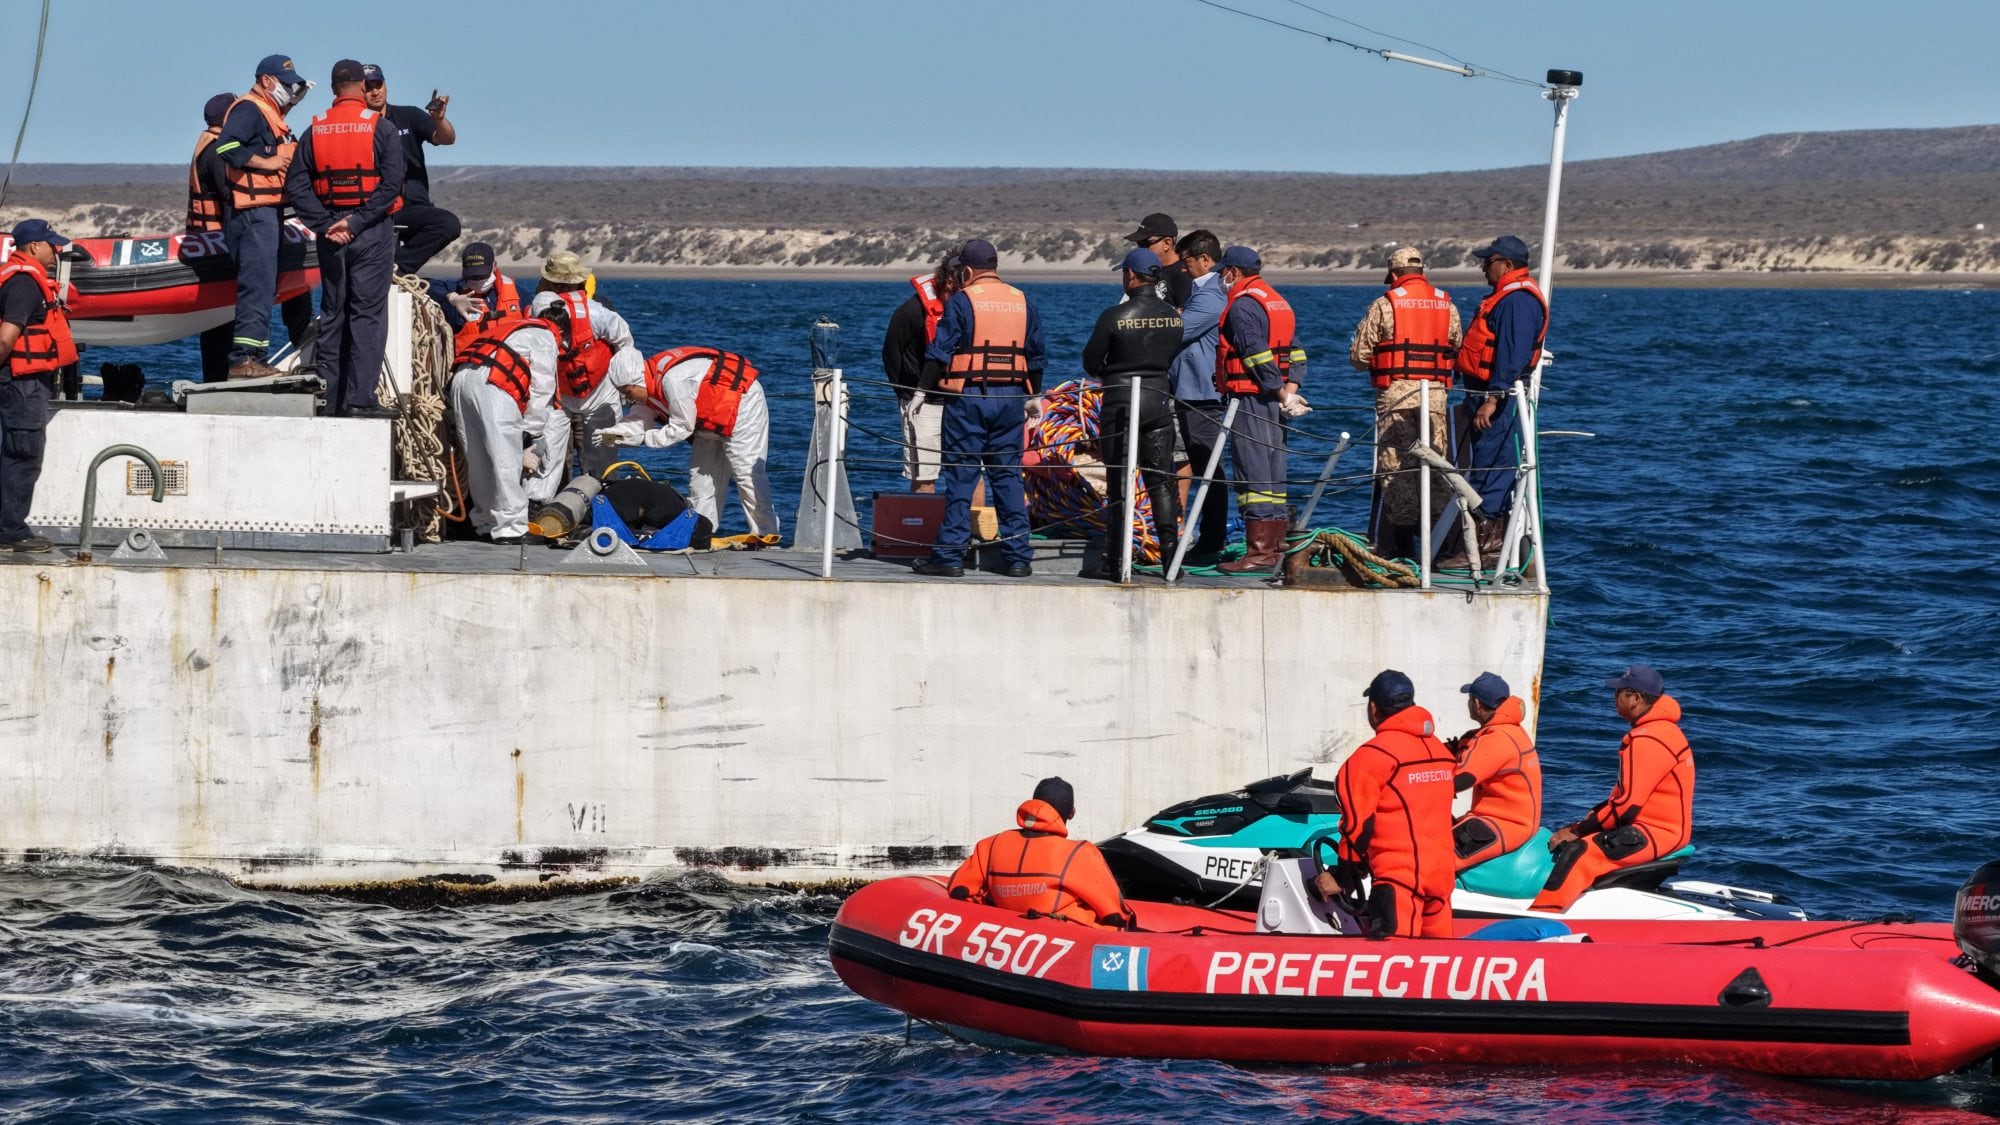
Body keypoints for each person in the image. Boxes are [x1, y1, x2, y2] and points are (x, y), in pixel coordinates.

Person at [912, 238, 1045, 579]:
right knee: (1008, 477)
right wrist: (1034, 395)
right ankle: (1018, 558)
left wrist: (921, 391)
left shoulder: (962, 300)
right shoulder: (1022, 300)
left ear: (968, 270)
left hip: (968, 398)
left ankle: (949, 557)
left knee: (961, 477)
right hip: (1011, 398)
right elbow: (1036, 354)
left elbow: (940, 350)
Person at [286, 59, 406, 418]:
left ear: (333, 89)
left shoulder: (314, 130)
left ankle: (329, 400)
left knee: (333, 313)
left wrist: (325, 224)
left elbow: (297, 186)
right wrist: (357, 222)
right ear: (361, 86)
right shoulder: (381, 127)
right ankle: (360, 400)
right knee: (367, 315)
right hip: (370, 231)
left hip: (331, 235)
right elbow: (391, 185)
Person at [1533, 665, 1694, 912]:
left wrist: (1577, 831)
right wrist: (1590, 820)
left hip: (1656, 832)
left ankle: (1543, 915)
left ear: (1635, 698)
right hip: (1660, 828)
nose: (1614, 698)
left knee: (1580, 853)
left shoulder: (1648, 739)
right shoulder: (1662, 731)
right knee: (1585, 833)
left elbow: (1628, 806)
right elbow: (1627, 796)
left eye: (1619, 692)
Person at [1314, 670, 1456, 938]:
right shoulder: (1440, 751)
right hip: (1442, 878)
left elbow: (1358, 826)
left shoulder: (1371, 757)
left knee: (1397, 959)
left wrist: (1341, 877)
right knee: (1440, 960)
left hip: (1399, 882)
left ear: (1373, 708)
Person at [1349, 246, 1462, 560]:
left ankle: (1402, 546)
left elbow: (1359, 356)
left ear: (1394, 273)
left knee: (1396, 469)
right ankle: (1439, 545)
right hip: (1435, 397)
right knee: (1436, 465)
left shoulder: (1385, 304)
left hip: (1396, 397)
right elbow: (1457, 344)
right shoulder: (1446, 304)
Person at [598, 346, 780, 538]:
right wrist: (611, 434)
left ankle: (766, 532)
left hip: (742, 406)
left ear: (636, 382)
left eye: (627, 392)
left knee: (747, 473)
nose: (627, 399)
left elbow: (681, 428)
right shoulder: (649, 386)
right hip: (709, 421)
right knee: (700, 480)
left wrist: (644, 439)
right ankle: (701, 533)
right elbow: (639, 420)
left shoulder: (673, 381)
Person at [1079, 247, 1182, 579]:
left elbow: (1091, 361)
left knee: (1119, 482)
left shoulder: (1114, 316)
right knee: (1161, 483)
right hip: (1158, 400)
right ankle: (1171, 561)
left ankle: (1115, 563)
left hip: (1121, 404)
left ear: (1132, 275)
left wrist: (1114, 373)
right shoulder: (1173, 316)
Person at [1452, 235, 1547, 561]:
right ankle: (1478, 540)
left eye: (1488, 262)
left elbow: (1511, 354)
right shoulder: (1505, 297)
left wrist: (1493, 399)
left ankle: (1486, 544)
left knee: (1492, 464)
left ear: (1506, 265)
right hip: (1481, 395)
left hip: (1496, 401)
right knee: (1484, 461)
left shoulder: (1517, 301)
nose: (1483, 268)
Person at [1211, 246, 1306, 576]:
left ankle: (1260, 552)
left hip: (1251, 399)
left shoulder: (1242, 306)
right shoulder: (1277, 301)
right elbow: (1296, 352)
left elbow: (1256, 355)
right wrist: (1290, 392)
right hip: (1275, 401)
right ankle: (1276, 547)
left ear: (1234, 272)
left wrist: (1280, 392)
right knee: (1273, 472)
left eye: (1224, 272)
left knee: (1252, 471)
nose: (1222, 277)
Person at [217, 54, 310, 379]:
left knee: (264, 288)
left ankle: (255, 357)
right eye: (286, 85)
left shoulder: (270, 112)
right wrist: (266, 162)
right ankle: (243, 359)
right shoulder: (248, 109)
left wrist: (294, 99)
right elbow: (226, 147)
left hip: (267, 211)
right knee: (256, 287)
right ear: (266, 81)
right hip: (252, 214)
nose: (289, 91)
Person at [448, 303, 566, 543]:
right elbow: (542, 389)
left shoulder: (514, 327)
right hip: (493, 383)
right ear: (561, 332)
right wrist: (534, 434)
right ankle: (512, 527)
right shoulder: (546, 337)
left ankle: (485, 522)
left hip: (462, 380)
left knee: (477, 458)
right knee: (506, 459)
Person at [947, 776, 1132, 929]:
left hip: (1005, 930)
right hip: (1065, 936)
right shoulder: (1079, 853)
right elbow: (1115, 915)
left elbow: (959, 890)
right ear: (1071, 813)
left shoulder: (990, 845)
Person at [529, 252, 642, 493]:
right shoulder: (602, 313)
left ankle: (543, 501)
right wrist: (627, 388)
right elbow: (626, 344)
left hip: (565, 394)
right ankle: (604, 495)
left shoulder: (537, 308)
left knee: (549, 455)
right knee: (605, 453)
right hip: (592, 395)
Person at [0, 220, 77, 554]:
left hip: (21, 382)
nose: (55, 251)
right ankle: (10, 532)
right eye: (50, 244)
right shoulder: (25, 285)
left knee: (15, 453)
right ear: (33, 246)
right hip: (22, 384)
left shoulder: (18, 278)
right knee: (22, 454)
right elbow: (6, 338)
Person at [360, 64, 461, 275]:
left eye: (378, 85)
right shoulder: (357, 125)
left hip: (413, 207)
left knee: (448, 224)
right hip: (376, 211)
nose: (375, 91)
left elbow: (447, 139)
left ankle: (396, 269)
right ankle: (385, 271)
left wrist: (438, 119)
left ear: (386, 86)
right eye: (368, 87)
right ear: (359, 91)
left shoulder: (409, 115)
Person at [1168, 230, 1230, 566]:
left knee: (1209, 468)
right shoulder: (1202, 291)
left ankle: (1211, 540)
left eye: (1187, 260)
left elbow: (1179, 330)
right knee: (1204, 464)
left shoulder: (1211, 294)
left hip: (1202, 394)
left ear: (1205, 259)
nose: (1183, 268)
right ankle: (1209, 537)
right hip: (1190, 390)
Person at [880, 251, 961, 494]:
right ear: (950, 282)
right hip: (923, 405)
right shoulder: (910, 312)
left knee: (969, 473)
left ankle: (973, 521)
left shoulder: (969, 310)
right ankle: (923, 521)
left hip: (962, 402)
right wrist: (907, 393)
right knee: (924, 475)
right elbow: (891, 353)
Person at [1449, 671, 1541, 871]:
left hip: (1505, 824)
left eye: (1469, 699)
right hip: (1503, 819)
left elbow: (1460, 779)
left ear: (1476, 704)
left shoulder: (1497, 738)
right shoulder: (1510, 730)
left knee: (1434, 858)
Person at [431, 242, 525, 344]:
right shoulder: (456, 289)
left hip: (510, 352)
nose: (477, 280)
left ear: (494, 266)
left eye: (482, 275)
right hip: (473, 353)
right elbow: (424, 285)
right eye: (472, 276)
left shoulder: (516, 292)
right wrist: (453, 298)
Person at [1124, 212, 1192, 309]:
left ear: (1166, 244)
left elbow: (1187, 314)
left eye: (1145, 243)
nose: (1141, 249)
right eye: (1139, 244)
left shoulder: (1185, 273)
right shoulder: (1143, 270)